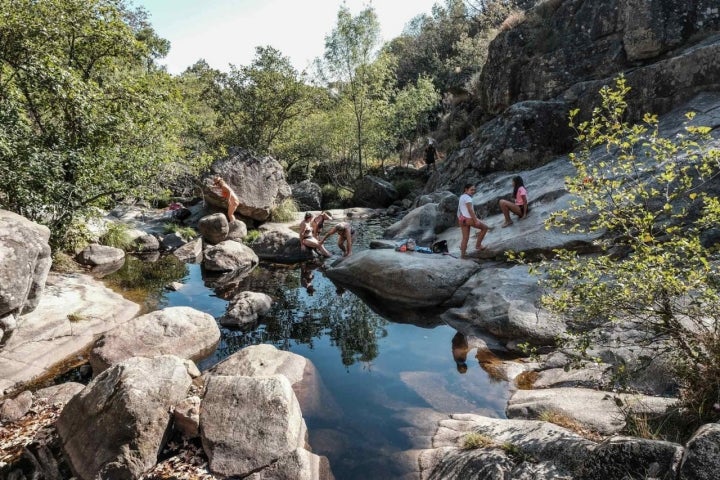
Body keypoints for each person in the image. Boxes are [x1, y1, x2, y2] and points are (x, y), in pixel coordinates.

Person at [457, 183, 489, 258]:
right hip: (469, 219)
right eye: (471, 190)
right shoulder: (468, 198)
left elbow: (461, 209)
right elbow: (470, 210)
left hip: (462, 219)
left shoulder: (462, 196)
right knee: (485, 228)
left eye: (474, 189)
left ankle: (463, 255)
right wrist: (476, 220)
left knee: (465, 238)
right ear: (466, 189)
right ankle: (478, 245)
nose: (473, 191)